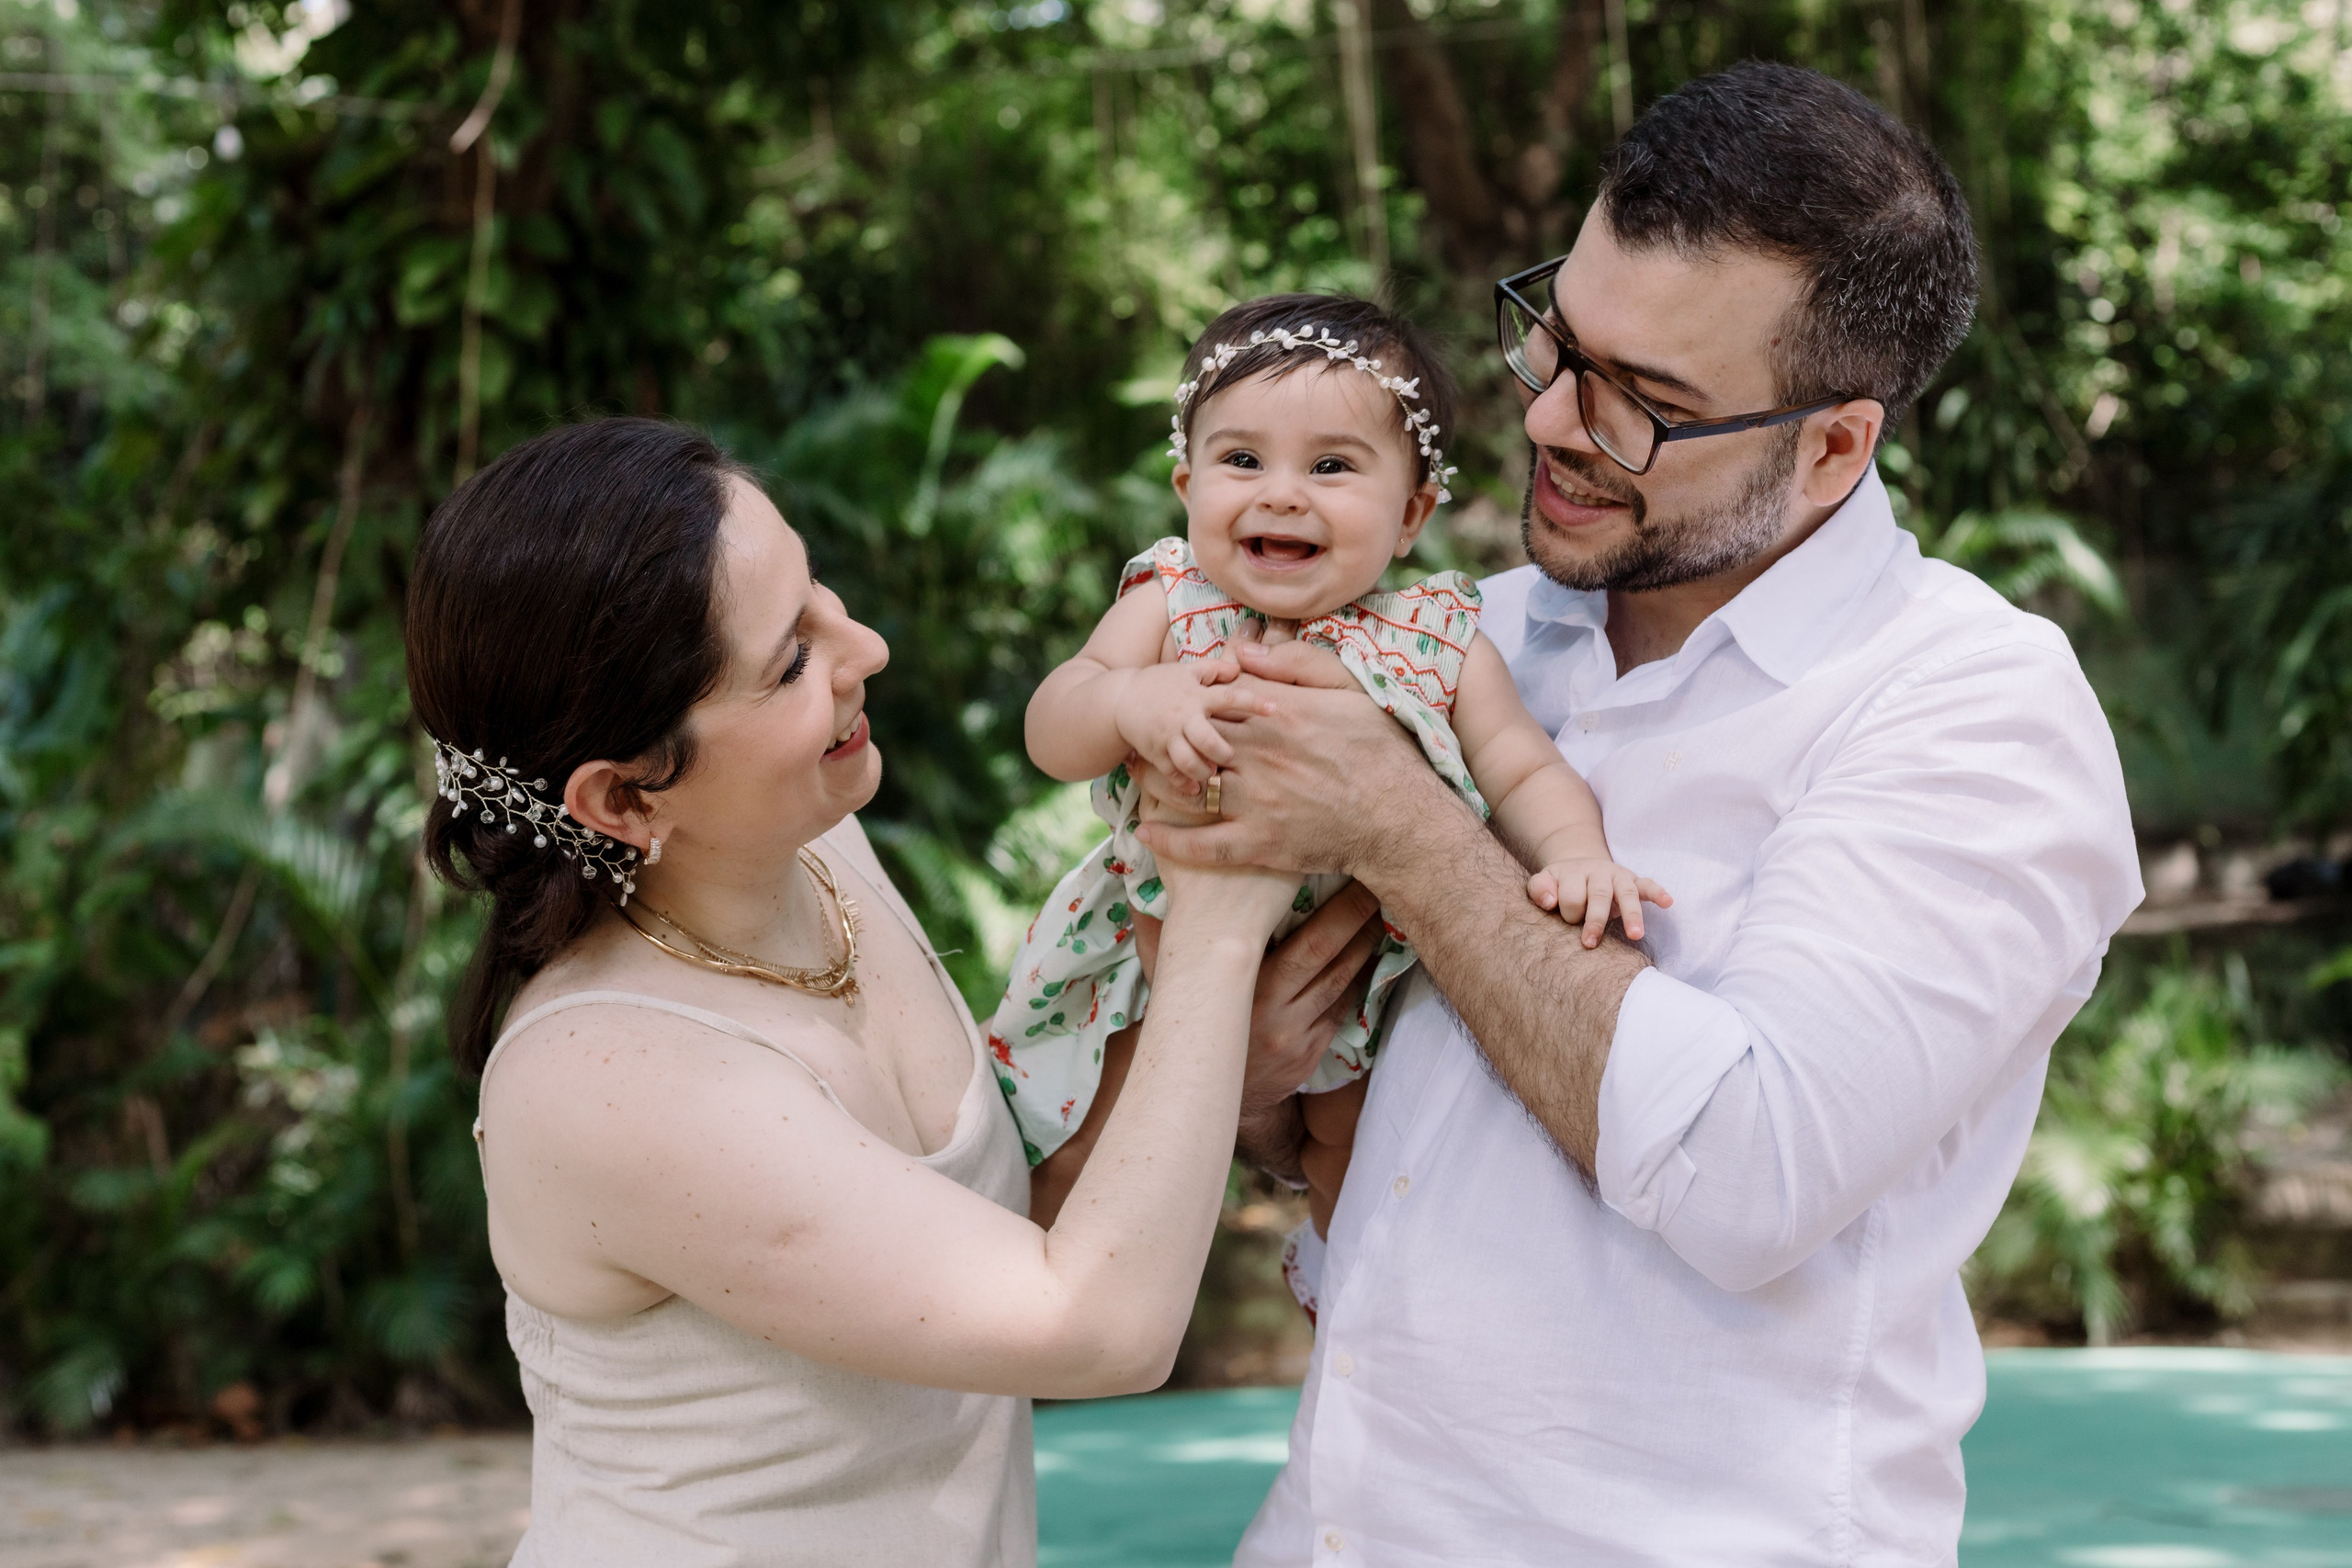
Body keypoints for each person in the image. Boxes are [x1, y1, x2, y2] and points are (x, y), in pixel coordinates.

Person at [1131, 64, 2142, 1563]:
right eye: (1556, 337)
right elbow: (1308, 1101)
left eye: (1644, 404)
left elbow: (1749, 1171)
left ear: (1831, 449)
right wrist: (1263, 1082)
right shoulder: (1451, 632)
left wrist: (1408, 832)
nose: (1549, 416)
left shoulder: (1970, 703)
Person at [404, 417, 1315, 1568]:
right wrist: (1218, 936)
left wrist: (1226, 1047)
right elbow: (1094, 1329)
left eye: (819, 592)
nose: (867, 646)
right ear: (627, 801)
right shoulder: (605, 1080)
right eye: (791, 660)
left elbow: (974, 1243)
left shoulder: (822, 853)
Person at [996, 294, 1664, 1268]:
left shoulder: (1437, 637)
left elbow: (1522, 767)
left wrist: (1577, 855)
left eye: (1332, 466)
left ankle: (1347, 1294)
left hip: (1365, 961)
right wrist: (1130, 698)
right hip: (1160, 946)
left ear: (1411, 514)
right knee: (1078, 1117)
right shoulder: (1170, 603)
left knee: (1355, 1143)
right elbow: (1055, 729)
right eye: (1241, 460)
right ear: (1186, 486)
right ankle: (1071, 1271)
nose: (1281, 494)